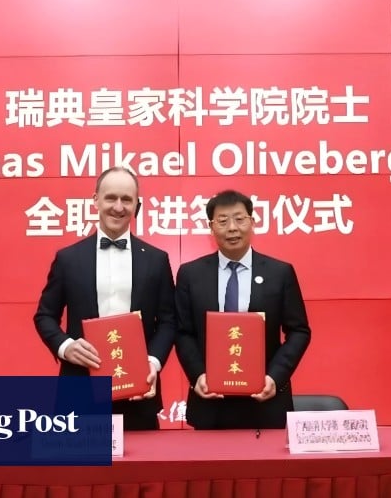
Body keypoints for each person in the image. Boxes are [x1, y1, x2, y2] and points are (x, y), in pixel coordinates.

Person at [33, 166, 176, 430]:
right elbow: (45, 315)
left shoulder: (157, 260)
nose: (118, 207)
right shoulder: (68, 258)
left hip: (139, 393)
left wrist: (152, 362)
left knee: (143, 459)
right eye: (111, 198)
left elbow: (168, 321)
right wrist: (66, 346)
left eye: (127, 199)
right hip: (79, 389)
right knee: (78, 459)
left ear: (137, 205)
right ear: (96, 200)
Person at [174, 189, 311, 430]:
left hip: (265, 403)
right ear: (211, 227)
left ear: (252, 222)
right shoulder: (190, 274)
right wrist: (198, 375)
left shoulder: (279, 273)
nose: (232, 228)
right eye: (222, 221)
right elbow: (183, 332)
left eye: (239, 219)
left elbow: (299, 331)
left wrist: (275, 377)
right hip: (211, 404)